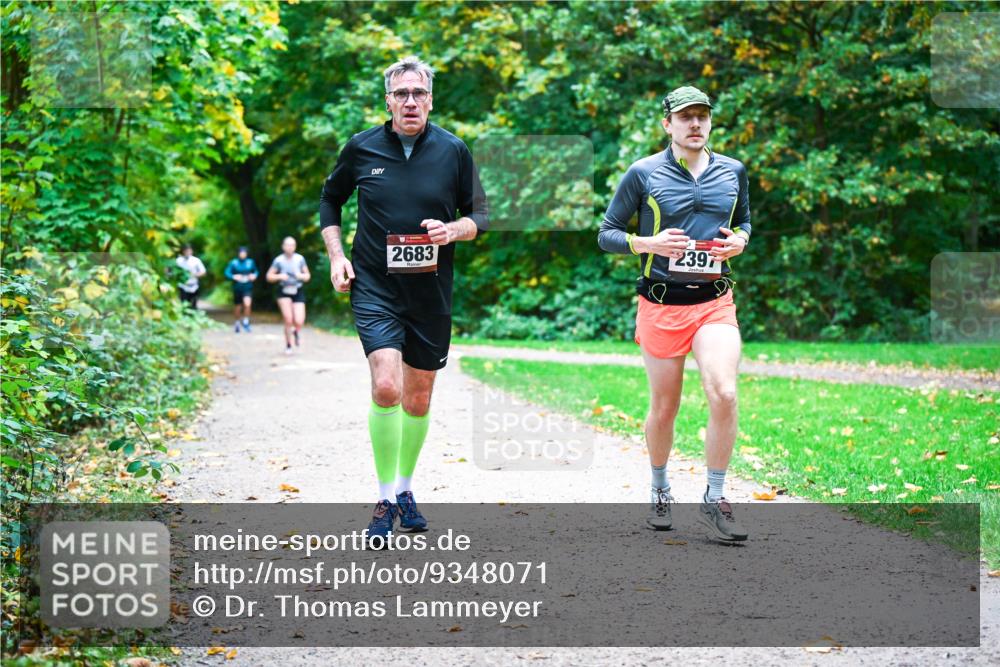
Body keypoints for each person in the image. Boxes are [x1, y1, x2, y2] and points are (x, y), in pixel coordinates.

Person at [318, 56, 488, 546]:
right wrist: (335, 256)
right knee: (387, 387)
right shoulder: (362, 147)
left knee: (418, 397)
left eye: (419, 94)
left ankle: (406, 488)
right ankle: (384, 498)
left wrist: (452, 231)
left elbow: (480, 216)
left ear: (431, 99)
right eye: (401, 94)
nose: (410, 102)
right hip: (375, 286)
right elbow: (330, 201)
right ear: (388, 100)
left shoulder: (453, 151)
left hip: (430, 292)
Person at [598, 85, 752, 542]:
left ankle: (716, 497)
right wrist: (647, 243)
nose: (695, 124)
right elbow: (606, 233)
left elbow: (744, 221)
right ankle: (661, 487)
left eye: (702, 116)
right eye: (685, 117)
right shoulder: (643, 173)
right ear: (667, 123)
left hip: (714, 302)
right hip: (662, 303)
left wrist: (741, 241)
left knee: (724, 392)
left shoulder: (733, 171)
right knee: (665, 408)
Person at [266, 237, 310, 355]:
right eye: (287, 245)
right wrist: (279, 276)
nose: (290, 247)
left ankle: (296, 331)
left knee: (299, 320)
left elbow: (307, 276)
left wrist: (301, 275)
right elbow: (269, 276)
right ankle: (288, 345)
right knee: (288, 319)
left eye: (292, 245)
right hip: (283, 290)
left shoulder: (300, 259)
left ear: (295, 246)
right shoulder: (279, 260)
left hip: (297, 290)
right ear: (283, 246)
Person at [224, 246, 259, 333]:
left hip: (247, 286)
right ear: (238, 254)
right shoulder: (234, 263)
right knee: (238, 306)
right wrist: (233, 276)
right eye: (241, 253)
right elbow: (227, 272)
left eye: (244, 253)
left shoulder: (250, 262)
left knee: (247, 304)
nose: (242, 254)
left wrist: (254, 276)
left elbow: (256, 271)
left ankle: (246, 321)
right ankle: (237, 323)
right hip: (237, 287)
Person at [175, 244, 206, 310]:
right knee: (184, 304)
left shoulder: (196, 261)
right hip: (182, 285)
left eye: (189, 251)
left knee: (193, 304)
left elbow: (203, 272)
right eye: (186, 251)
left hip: (194, 285)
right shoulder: (178, 261)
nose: (187, 252)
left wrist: (194, 275)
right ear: (183, 251)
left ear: (191, 251)